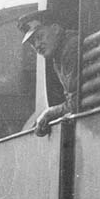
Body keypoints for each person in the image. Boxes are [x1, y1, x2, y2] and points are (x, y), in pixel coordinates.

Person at [17, 9, 77, 137]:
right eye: (33, 43)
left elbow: (76, 102)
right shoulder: (57, 57)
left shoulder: (70, 48)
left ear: (55, 29)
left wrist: (50, 112)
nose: (37, 45)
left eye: (39, 37)